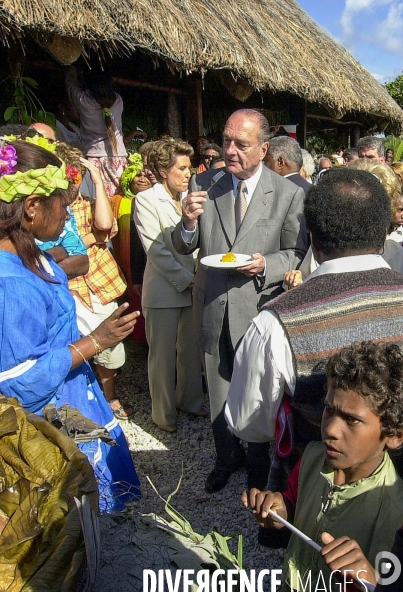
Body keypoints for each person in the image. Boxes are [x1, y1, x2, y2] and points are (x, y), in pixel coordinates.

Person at [0, 138, 141, 512]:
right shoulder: (1, 280)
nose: (69, 216)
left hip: (70, 402)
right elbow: (10, 389)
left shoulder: (27, 251)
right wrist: (94, 342)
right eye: (64, 206)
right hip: (45, 434)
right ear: (32, 206)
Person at [226, 168, 403, 496]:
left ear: (312, 239)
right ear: (383, 235)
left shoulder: (276, 321)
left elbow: (249, 423)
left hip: (318, 491)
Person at [173, 108, 307, 492]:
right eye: (227, 140)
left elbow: (296, 252)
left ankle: (257, 462)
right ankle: (225, 457)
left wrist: (267, 264)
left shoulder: (287, 193)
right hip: (213, 305)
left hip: (260, 309)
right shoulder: (205, 183)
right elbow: (185, 246)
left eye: (241, 144)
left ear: (264, 149)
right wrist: (187, 222)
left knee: (259, 392)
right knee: (218, 390)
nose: (229, 150)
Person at [243, 341, 403, 592]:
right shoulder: (313, 457)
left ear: (394, 435)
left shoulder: (394, 513)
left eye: (352, 420)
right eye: (329, 409)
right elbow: (293, 501)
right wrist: (279, 512)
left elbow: (390, 586)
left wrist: (368, 579)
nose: (330, 430)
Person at [55, 143, 132, 419]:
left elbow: (105, 226)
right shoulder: (51, 209)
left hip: (98, 282)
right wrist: (91, 240)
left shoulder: (86, 203)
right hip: (70, 287)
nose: (74, 184)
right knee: (74, 344)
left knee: (110, 345)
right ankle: (81, 399)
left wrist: (98, 181)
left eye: (78, 177)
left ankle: (110, 396)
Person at [134, 139, 205, 433]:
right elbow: (156, 250)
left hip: (193, 286)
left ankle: (189, 401)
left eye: (189, 167)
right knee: (162, 356)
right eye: (182, 168)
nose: (188, 173)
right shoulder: (146, 200)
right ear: (163, 170)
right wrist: (188, 279)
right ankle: (162, 414)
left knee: (190, 352)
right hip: (164, 290)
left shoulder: (193, 195)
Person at [65, 66, 146, 197]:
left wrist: (72, 68)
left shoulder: (83, 101)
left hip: (93, 159)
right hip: (118, 157)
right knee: (120, 199)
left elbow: (70, 84)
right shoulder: (118, 101)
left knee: (97, 201)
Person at [111, 153, 151, 344]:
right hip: (124, 259)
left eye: (145, 175)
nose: (142, 179)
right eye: (137, 175)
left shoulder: (153, 201)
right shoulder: (118, 201)